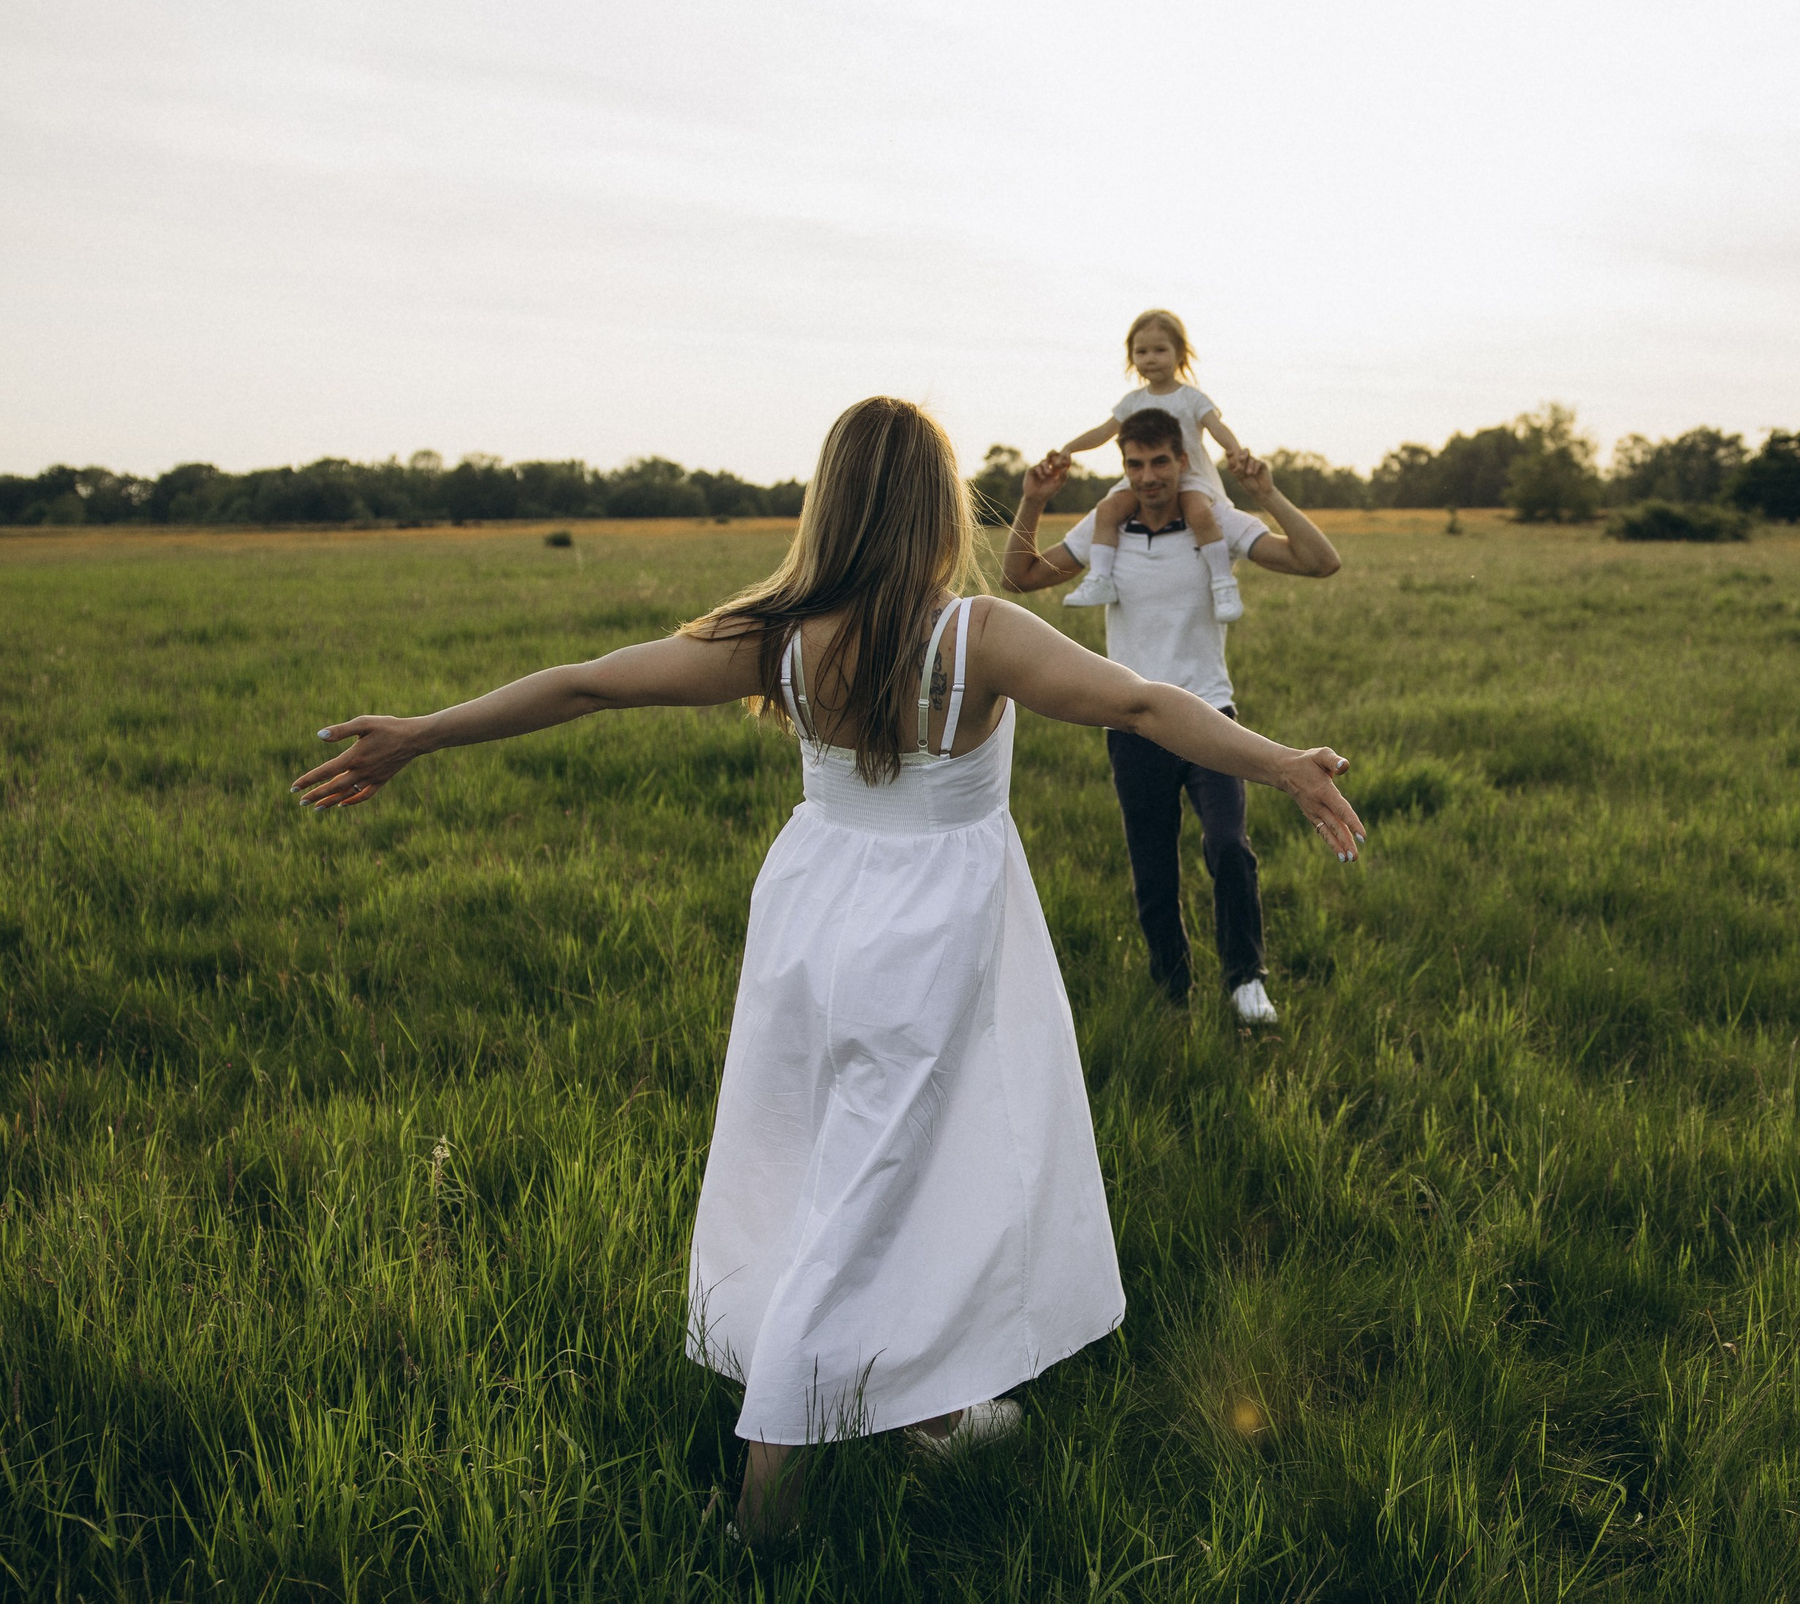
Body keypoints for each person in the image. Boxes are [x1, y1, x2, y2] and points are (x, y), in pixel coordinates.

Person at [288, 397, 1364, 1545]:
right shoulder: (977, 635)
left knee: (875, 1161)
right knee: (869, 1189)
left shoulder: (780, 632)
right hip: (930, 936)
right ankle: (765, 1510)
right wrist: (1283, 762)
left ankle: (932, 1403)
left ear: (833, 500)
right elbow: (1148, 702)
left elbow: (589, 681)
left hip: (815, 917)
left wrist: (424, 732)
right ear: (936, 505)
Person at [1003, 404, 1344, 1025]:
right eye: (1134, 464)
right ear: (1124, 466)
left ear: (1183, 460)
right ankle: (1172, 994)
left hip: (1211, 718)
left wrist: (1267, 493)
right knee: (1152, 869)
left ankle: (1246, 982)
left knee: (1228, 847)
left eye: (1160, 461)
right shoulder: (1106, 531)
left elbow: (1320, 561)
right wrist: (1032, 501)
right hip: (1132, 726)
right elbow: (1019, 576)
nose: (1148, 475)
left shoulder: (1215, 520)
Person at [1045, 307, 1255, 624]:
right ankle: (1101, 579)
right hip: (1144, 478)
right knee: (1107, 509)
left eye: (1160, 350)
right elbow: (1103, 432)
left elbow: (1216, 428)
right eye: (1141, 351)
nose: (1150, 358)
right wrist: (1069, 449)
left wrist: (1236, 451)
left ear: (1180, 353)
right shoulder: (1132, 402)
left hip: (1190, 476)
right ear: (1131, 357)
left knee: (1200, 512)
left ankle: (1223, 583)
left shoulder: (1192, 398)